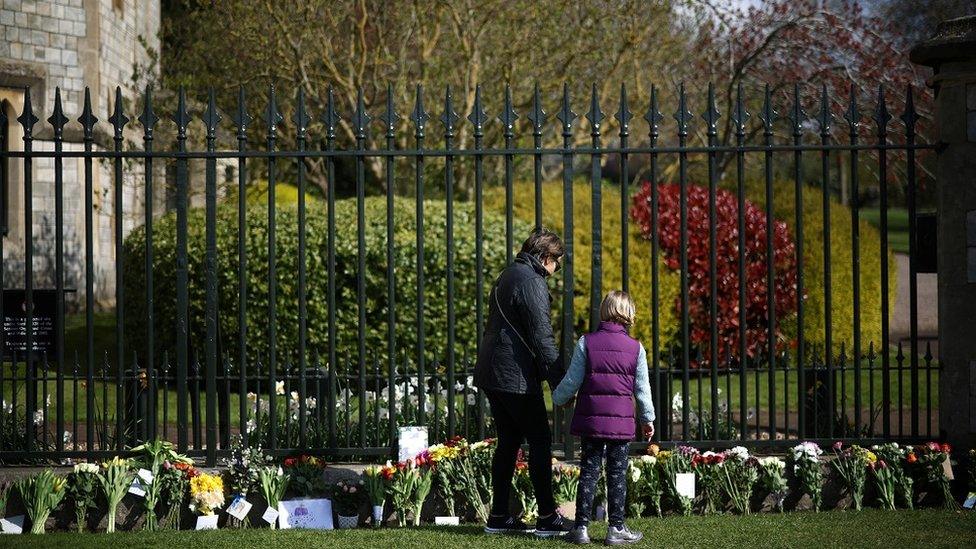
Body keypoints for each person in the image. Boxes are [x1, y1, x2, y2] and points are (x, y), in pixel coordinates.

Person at [473, 228, 571, 538]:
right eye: (557, 262)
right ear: (545, 258)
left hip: (492, 371)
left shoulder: (508, 274)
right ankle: (546, 517)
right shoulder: (533, 282)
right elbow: (542, 336)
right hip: (514, 376)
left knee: (508, 443)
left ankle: (499, 515)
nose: (556, 270)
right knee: (540, 441)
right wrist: (560, 384)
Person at [552, 290, 655, 545]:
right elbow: (642, 389)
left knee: (588, 471)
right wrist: (647, 418)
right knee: (617, 474)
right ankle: (616, 529)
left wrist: (558, 398)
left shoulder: (587, 342)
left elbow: (572, 380)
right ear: (629, 314)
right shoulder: (636, 348)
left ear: (604, 311)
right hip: (620, 423)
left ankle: (581, 528)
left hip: (592, 421)